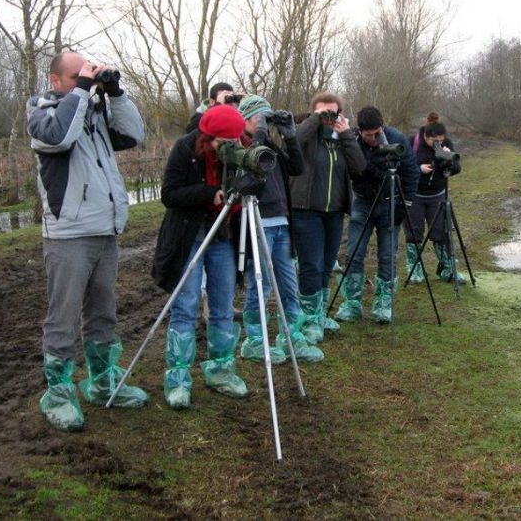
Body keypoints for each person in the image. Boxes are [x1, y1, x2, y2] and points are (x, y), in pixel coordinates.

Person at [27, 51, 148, 432]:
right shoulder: (41, 115)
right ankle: (59, 393)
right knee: (62, 317)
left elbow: (133, 135)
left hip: (103, 230)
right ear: (56, 81)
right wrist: (83, 89)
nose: (88, 79)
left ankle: (101, 380)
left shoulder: (93, 112)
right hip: (68, 235)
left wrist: (115, 93)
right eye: (78, 74)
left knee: (103, 311)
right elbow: (60, 138)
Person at [151, 104, 250, 409]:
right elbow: (170, 194)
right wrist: (209, 194)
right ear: (207, 137)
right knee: (186, 305)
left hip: (223, 238)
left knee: (222, 305)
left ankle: (221, 369)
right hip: (189, 238)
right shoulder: (185, 148)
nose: (227, 148)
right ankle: (178, 377)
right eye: (222, 143)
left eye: (233, 142)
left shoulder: (241, 150)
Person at [236, 95, 323, 363]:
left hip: (282, 221)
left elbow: (296, 167)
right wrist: (260, 134)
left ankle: (291, 335)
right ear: (245, 120)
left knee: (288, 282)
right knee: (259, 286)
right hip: (256, 221)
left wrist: (290, 136)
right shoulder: (236, 147)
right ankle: (254, 340)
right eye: (256, 118)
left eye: (264, 117)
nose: (261, 122)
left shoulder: (269, 145)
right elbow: (248, 174)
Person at [289, 92, 366, 343]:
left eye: (333, 112)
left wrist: (345, 134)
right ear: (313, 112)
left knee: (326, 264)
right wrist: (315, 120)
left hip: (334, 211)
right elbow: (293, 142)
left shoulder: (341, 139)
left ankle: (319, 314)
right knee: (310, 265)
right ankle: (309, 320)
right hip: (306, 209)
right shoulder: (305, 135)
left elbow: (359, 167)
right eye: (323, 112)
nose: (328, 117)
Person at [336, 106, 419, 324]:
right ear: (360, 131)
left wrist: (405, 205)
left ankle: (383, 302)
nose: (373, 139)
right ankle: (352, 303)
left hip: (391, 202)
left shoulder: (396, 138)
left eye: (376, 133)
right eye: (368, 135)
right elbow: (351, 170)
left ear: (382, 127)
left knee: (387, 255)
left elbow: (411, 172)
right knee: (353, 251)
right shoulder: (350, 139)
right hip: (362, 202)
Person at [405, 114, 464, 284]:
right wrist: (418, 169)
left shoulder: (447, 144)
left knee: (441, 232)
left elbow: (457, 169)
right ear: (426, 136)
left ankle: (447, 268)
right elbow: (402, 166)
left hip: (437, 195)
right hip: (414, 195)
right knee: (414, 233)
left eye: (440, 140)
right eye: (434, 141)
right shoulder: (412, 143)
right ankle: (415, 269)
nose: (437, 143)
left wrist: (448, 161)